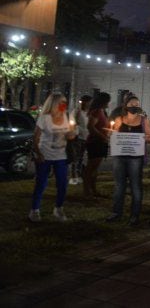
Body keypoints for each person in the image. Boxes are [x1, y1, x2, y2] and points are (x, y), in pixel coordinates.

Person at [29, 92, 77, 222]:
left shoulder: (65, 117)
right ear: (54, 103)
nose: (64, 105)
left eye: (65, 102)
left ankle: (59, 208)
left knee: (62, 184)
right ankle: (35, 210)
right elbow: (36, 138)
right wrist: (38, 154)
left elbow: (69, 136)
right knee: (41, 183)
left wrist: (72, 132)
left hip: (61, 156)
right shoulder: (44, 118)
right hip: (45, 155)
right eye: (61, 102)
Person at [107, 94, 150, 225]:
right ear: (126, 106)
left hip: (135, 158)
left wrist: (146, 139)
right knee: (119, 185)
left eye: (137, 105)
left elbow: (149, 137)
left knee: (135, 186)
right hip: (120, 157)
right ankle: (116, 212)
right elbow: (113, 135)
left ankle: (135, 214)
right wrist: (110, 135)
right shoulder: (119, 119)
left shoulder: (143, 120)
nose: (134, 107)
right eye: (132, 105)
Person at [84, 92, 111, 198]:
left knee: (95, 168)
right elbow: (90, 126)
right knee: (90, 168)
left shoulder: (102, 111)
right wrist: (102, 136)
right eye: (108, 101)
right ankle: (87, 191)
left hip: (101, 141)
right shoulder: (96, 112)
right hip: (95, 142)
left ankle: (93, 189)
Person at [68, 95, 92, 185]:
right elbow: (72, 122)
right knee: (75, 157)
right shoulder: (77, 111)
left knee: (81, 157)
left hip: (86, 137)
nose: (90, 104)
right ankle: (73, 176)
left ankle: (79, 174)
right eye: (89, 102)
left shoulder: (89, 112)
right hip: (78, 137)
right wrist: (75, 129)